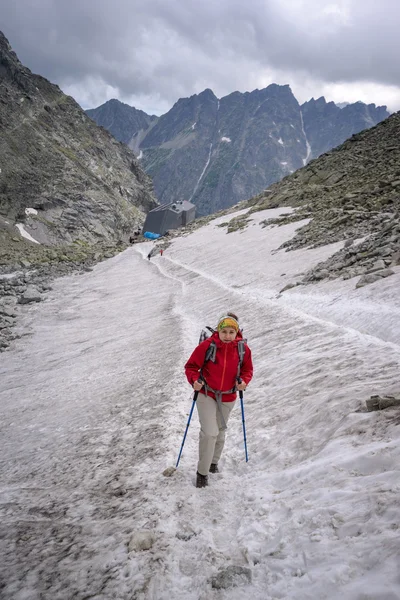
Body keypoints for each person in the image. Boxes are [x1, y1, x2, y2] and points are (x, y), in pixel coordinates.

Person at [184, 313, 253, 488]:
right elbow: (191, 366)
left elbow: (247, 370)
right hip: (207, 393)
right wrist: (194, 381)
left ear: (236, 332)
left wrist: (244, 382)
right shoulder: (208, 346)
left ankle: (213, 462)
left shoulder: (243, 349)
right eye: (224, 331)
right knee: (210, 433)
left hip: (228, 396)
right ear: (218, 330)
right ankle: (202, 472)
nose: (228, 336)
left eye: (231, 332)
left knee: (220, 431)